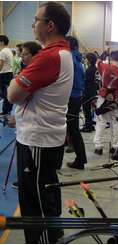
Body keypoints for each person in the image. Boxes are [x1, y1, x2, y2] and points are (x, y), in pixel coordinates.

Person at [7, 2, 73, 243]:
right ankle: (52, 234)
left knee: (35, 202)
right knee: (45, 192)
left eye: (36, 19)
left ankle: (45, 240)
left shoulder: (50, 56)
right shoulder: (60, 53)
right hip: (43, 137)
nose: (33, 24)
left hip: (38, 140)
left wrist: (17, 84)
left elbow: (13, 93)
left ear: (50, 25)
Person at [10, 41, 42, 190]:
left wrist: (14, 84)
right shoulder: (27, 69)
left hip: (32, 126)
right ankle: (24, 181)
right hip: (23, 122)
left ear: (36, 55)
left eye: (26, 54)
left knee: (30, 164)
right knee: (23, 158)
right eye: (21, 55)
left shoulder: (36, 72)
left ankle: (28, 183)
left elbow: (16, 95)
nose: (22, 58)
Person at [93, 50, 118, 155]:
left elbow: (97, 62)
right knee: (115, 122)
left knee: (101, 122)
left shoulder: (104, 67)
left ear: (110, 58)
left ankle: (98, 147)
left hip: (104, 97)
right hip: (116, 100)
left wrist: (104, 53)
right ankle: (115, 146)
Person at [65, 36, 87, 170]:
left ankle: (80, 159)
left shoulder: (70, 58)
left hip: (70, 96)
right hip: (77, 95)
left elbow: (67, 79)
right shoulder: (78, 59)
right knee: (72, 129)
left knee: (72, 129)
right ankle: (80, 159)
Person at [81, 52, 99, 132]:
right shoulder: (94, 68)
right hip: (92, 90)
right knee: (89, 108)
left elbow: (87, 82)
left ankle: (88, 126)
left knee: (86, 108)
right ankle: (89, 123)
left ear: (90, 60)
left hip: (88, 91)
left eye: (86, 59)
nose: (85, 60)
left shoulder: (89, 70)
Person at [0, 35, 14, 116]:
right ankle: (7, 111)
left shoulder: (3, 51)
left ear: (1, 42)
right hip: (9, 74)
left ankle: (5, 111)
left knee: (6, 94)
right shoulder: (8, 50)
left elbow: (0, 65)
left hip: (4, 75)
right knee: (7, 94)